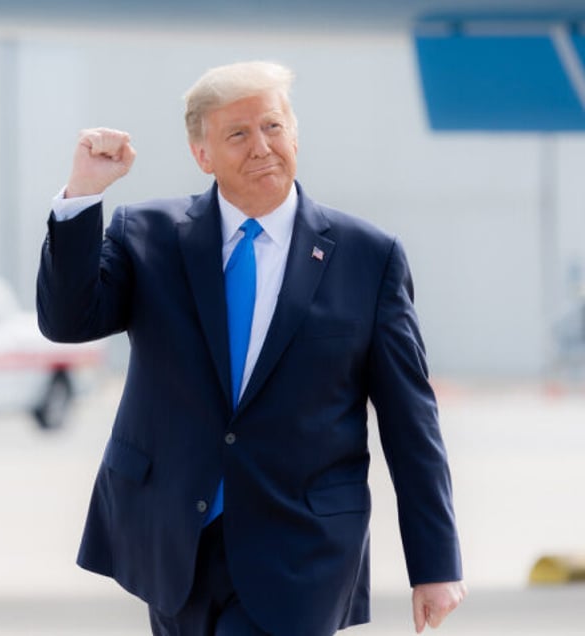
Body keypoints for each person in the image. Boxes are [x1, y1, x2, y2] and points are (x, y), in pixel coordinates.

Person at [36, 60, 466, 635]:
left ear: (295, 134)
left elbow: (411, 421)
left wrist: (434, 564)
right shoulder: (148, 237)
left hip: (300, 549)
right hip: (173, 542)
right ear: (203, 156)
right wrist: (83, 194)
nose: (262, 147)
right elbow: (67, 320)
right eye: (238, 134)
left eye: (273, 127)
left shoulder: (368, 256)